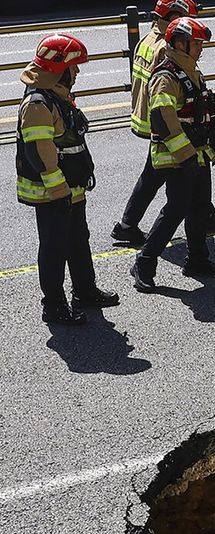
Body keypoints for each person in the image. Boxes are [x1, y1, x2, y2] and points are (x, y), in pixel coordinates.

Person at [112, 0, 215, 246]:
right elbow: (167, 93)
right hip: (165, 122)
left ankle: (129, 223)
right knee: (168, 178)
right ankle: (134, 230)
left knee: (154, 175)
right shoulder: (165, 49)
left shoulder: (147, 40)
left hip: (147, 116)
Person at [17, 34, 118, 324]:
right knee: (54, 247)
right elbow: (41, 152)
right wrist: (59, 188)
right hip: (52, 192)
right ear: (58, 69)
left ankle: (85, 291)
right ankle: (54, 306)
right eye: (74, 67)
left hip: (68, 187)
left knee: (77, 240)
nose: (78, 72)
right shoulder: (38, 103)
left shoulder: (55, 95)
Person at [130, 16, 215, 293]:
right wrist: (185, 156)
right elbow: (162, 118)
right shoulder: (167, 76)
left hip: (196, 154)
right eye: (196, 43)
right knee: (175, 210)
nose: (200, 48)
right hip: (177, 156)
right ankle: (144, 263)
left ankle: (197, 259)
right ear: (180, 43)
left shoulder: (190, 69)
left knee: (198, 207)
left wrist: (210, 129)